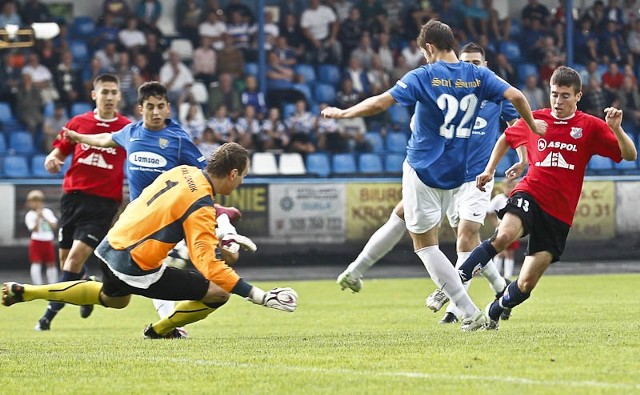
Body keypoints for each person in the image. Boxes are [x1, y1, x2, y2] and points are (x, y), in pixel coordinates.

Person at [322, 20, 545, 332]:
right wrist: (534, 127)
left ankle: (467, 311)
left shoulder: (424, 75)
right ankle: (474, 300)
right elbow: (518, 97)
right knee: (431, 228)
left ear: (429, 47)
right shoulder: (479, 75)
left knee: (426, 245)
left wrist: (344, 113)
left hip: (423, 170)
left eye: (423, 50)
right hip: (458, 175)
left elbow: (381, 102)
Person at [2, 144, 297, 339]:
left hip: (111, 245)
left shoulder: (184, 172)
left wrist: (220, 221)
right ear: (232, 174)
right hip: (135, 264)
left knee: (112, 299)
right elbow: (207, 263)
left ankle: (28, 291)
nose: (242, 182)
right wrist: (260, 296)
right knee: (219, 292)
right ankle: (161, 330)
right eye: (242, 176)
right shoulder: (201, 207)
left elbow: (180, 206)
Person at [64, 81, 255, 336]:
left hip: (175, 215)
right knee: (163, 266)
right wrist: (78, 138)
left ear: (168, 109)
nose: (155, 112)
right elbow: (105, 140)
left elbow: (206, 174)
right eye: (150, 107)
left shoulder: (177, 140)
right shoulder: (130, 132)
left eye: (160, 107)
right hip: (141, 220)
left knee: (219, 260)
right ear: (141, 108)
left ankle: (167, 321)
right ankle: (168, 324)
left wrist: (215, 211)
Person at [456, 66, 637, 330]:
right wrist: (491, 169)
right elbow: (506, 137)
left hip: (559, 213)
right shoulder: (536, 120)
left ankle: (495, 309)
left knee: (527, 283)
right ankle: (453, 282)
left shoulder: (589, 127)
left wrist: (617, 130)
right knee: (504, 236)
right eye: (554, 94)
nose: (558, 101)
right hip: (530, 192)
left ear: (578, 96)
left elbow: (630, 155)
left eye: (565, 95)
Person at [38, 73, 130, 331]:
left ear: (119, 96)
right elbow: (58, 151)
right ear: (94, 94)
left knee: (72, 262)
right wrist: (51, 159)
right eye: (105, 92)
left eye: (114, 92)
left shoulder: (126, 128)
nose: (109, 97)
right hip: (72, 200)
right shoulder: (78, 123)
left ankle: (47, 317)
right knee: (66, 262)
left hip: (102, 205)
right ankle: (86, 285)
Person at [486, 177, 520, 282]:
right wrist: (496, 223)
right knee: (499, 251)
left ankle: (507, 276)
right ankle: (496, 275)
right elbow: (489, 211)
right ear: (503, 187)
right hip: (501, 229)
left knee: (510, 252)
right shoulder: (499, 198)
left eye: (512, 187)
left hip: (513, 229)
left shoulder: (516, 198)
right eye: (507, 187)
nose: (509, 189)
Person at [25, 190, 58, 285]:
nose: (36, 204)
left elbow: (54, 226)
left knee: (51, 262)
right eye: (33, 202)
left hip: (48, 240)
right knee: (36, 262)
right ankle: (37, 284)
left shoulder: (47, 212)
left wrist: (44, 216)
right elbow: (33, 229)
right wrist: (37, 218)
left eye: (38, 201)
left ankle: (53, 284)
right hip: (37, 240)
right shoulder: (30, 215)